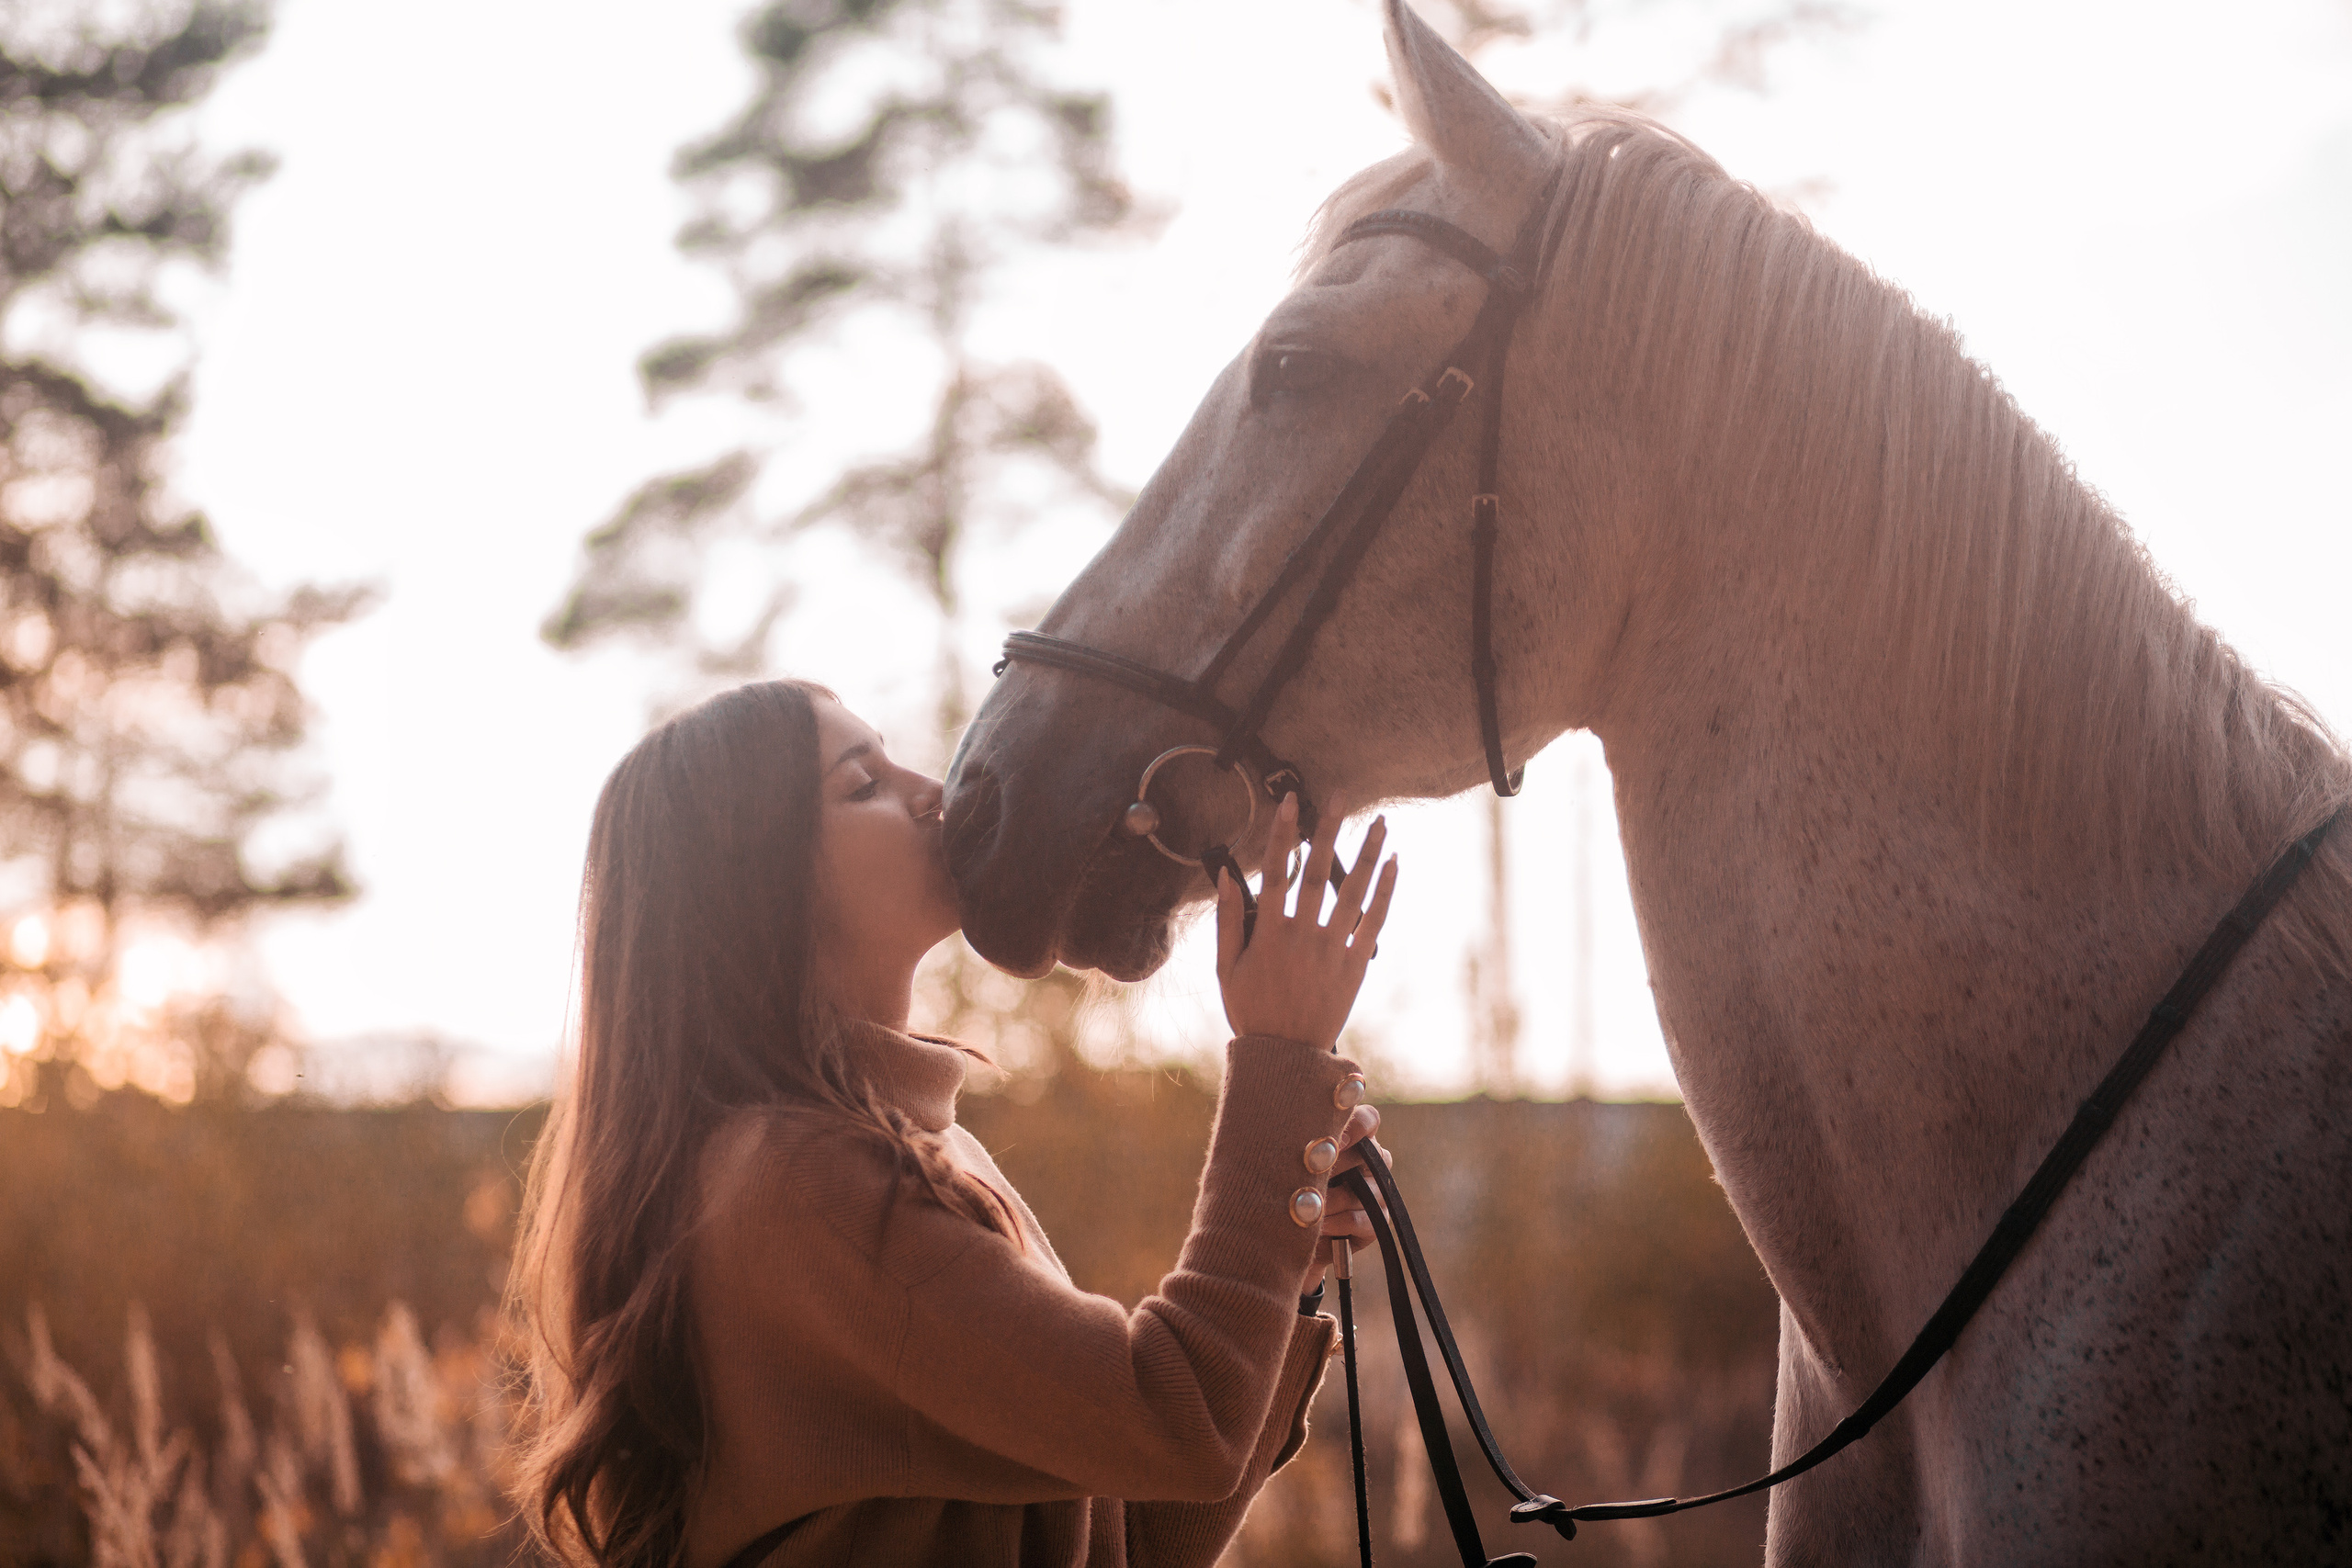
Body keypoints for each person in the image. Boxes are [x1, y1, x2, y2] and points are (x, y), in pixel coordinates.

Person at [509, 679, 1400, 1568]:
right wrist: (1279, 1056)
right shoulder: (804, 1182)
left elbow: (1124, 1535)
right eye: (864, 785)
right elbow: (1177, 1425)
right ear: (757, 882)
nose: (931, 791)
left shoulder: (905, 1150)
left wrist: (1281, 1263)